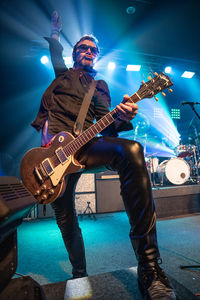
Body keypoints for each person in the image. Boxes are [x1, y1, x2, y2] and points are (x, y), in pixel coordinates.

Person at [31, 11, 176, 300]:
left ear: (97, 56)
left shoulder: (100, 87)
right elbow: (55, 54)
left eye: (93, 49)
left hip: (85, 147)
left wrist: (124, 116)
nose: (88, 51)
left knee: (132, 151)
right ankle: (79, 274)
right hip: (51, 155)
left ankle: (149, 267)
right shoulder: (61, 76)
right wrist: (56, 35)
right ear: (75, 54)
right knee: (65, 216)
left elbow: (106, 123)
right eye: (83, 48)